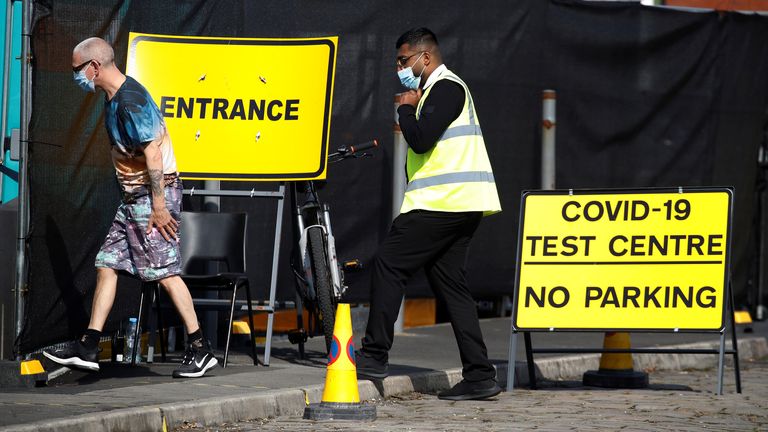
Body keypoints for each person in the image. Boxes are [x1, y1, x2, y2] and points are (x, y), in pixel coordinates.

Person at [43, 37, 217, 378]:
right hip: (134, 199)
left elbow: (153, 154)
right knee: (107, 263)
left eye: (77, 69)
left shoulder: (130, 101)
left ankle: (200, 347)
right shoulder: (115, 99)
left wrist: (159, 206)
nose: (76, 76)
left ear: (94, 67)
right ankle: (89, 344)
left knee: (164, 273)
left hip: (153, 197)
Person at [355, 28, 503, 401]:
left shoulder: (446, 88)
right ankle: (480, 375)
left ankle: (373, 357)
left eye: (403, 61)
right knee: (451, 287)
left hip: (442, 203)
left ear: (425, 57)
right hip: (461, 204)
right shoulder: (439, 91)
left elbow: (421, 138)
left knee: (389, 263)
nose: (399, 68)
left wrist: (405, 106)